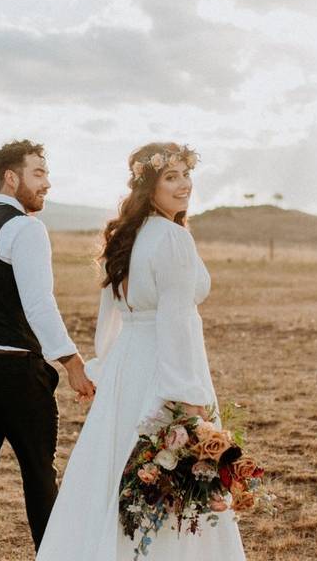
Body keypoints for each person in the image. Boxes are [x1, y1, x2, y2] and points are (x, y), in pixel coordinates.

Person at [36, 142, 246, 560]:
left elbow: (114, 317)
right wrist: (188, 402)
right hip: (163, 371)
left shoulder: (130, 237)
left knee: (114, 478)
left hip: (125, 371)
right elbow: (175, 323)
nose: (184, 184)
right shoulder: (170, 238)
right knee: (168, 487)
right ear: (148, 186)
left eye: (187, 174)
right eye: (172, 177)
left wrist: (106, 366)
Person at [0, 139, 96, 561]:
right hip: (14, 375)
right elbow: (39, 304)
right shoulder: (26, 228)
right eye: (38, 174)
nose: (47, 183)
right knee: (39, 479)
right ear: (11, 179)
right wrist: (71, 360)